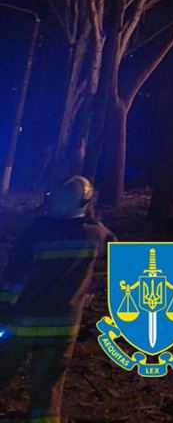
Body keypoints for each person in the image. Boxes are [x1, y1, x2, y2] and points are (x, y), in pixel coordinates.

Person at [0, 176, 112, 423]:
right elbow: (115, 257)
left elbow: (15, 279)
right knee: (47, 391)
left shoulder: (36, 233)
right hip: (62, 328)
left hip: (21, 325)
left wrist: (4, 310)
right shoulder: (95, 235)